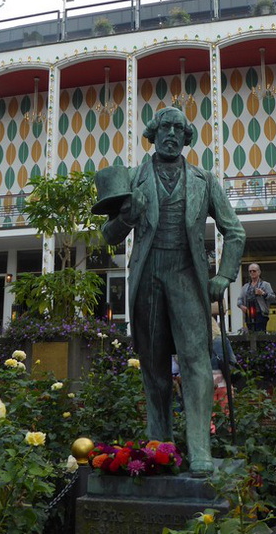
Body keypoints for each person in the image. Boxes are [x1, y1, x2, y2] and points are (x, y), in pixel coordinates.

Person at [98, 106, 245, 477]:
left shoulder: (204, 180)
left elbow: (235, 232)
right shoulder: (133, 178)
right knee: (154, 367)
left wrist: (225, 277)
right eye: (166, 127)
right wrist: (129, 215)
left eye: (179, 129)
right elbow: (108, 237)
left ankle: (199, 449)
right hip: (148, 277)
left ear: (186, 136)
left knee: (197, 363)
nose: (172, 134)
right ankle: (159, 448)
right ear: (153, 132)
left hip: (186, 276)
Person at [238, 263, 275, 333]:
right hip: (248, 315)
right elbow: (239, 299)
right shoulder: (245, 287)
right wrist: (241, 306)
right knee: (251, 334)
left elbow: (273, 298)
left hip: (261, 314)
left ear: (259, 272)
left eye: (254, 271)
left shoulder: (265, 285)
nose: (252, 273)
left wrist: (263, 293)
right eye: (250, 271)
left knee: (260, 334)